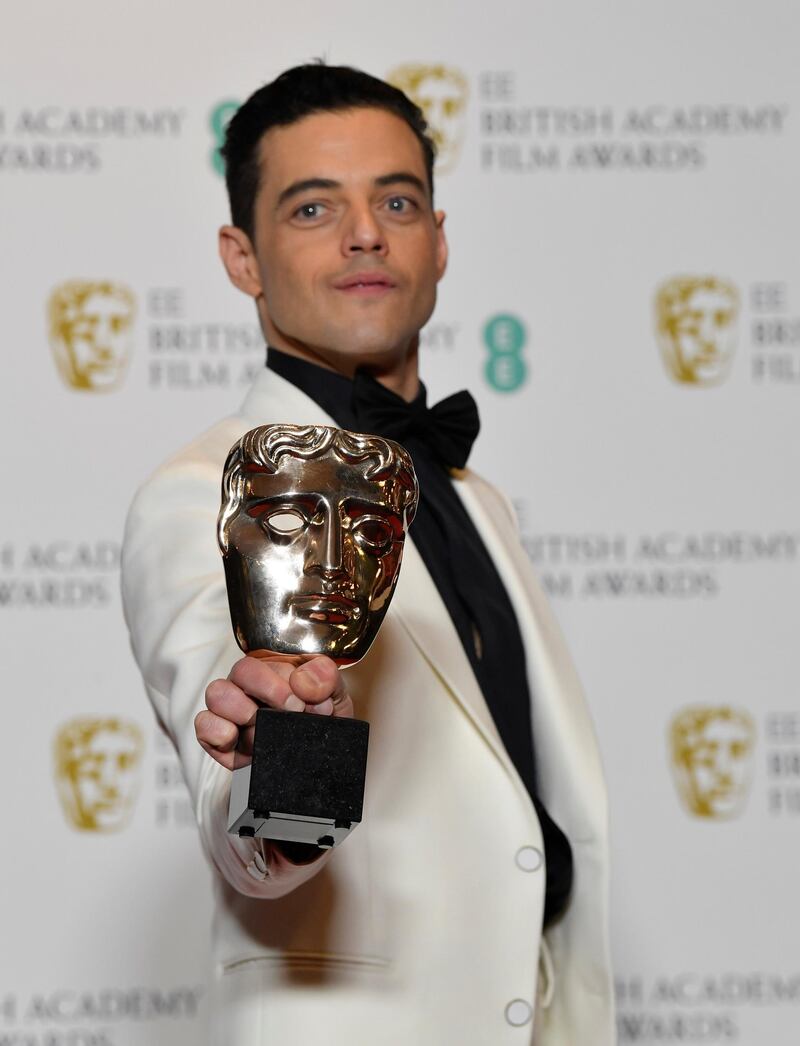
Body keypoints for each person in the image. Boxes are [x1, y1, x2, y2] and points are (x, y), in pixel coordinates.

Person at [121, 63, 614, 1045]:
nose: (363, 232)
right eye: (311, 208)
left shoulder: (474, 497)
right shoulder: (206, 487)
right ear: (241, 257)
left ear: (438, 241)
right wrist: (286, 754)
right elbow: (248, 824)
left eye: (396, 199)